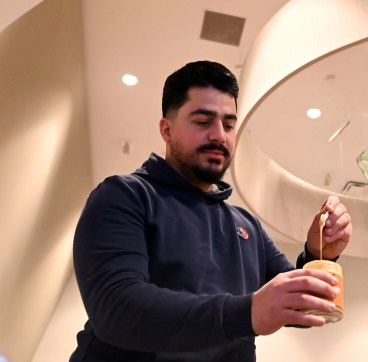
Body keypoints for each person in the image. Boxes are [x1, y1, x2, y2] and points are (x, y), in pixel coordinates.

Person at [70, 60, 353, 361]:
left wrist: (319, 253)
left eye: (229, 125)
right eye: (203, 122)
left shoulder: (247, 226)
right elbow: (117, 309)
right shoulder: (125, 196)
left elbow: (297, 306)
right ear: (166, 129)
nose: (219, 135)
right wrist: (246, 312)